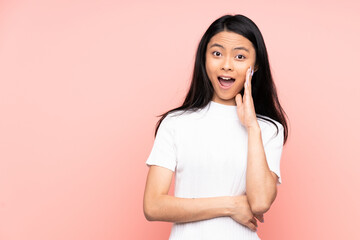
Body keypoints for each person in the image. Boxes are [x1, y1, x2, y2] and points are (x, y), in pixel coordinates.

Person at [143, 14, 289, 240]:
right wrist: (230, 205)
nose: (227, 65)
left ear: (255, 65)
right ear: (204, 58)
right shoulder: (176, 123)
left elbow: (260, 202)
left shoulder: (268, 129)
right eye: (217, 54)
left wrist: (251, 126)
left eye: (240, 56)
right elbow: (153, 206)